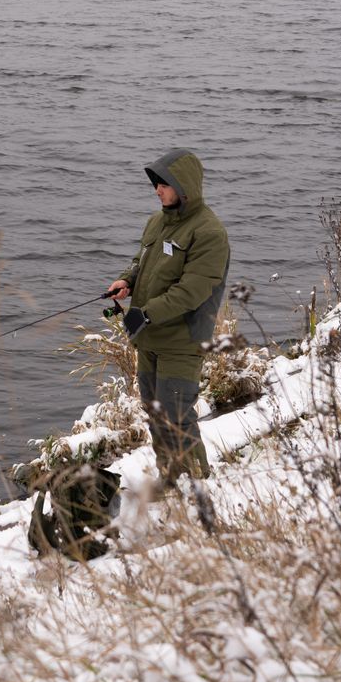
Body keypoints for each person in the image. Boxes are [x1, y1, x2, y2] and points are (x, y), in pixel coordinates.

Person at [106, 149, 230, 485]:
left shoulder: (209, 233)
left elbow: (191, 291)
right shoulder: (157, 222)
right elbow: (141, 262)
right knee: (155, 412)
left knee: (176, 416)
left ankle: (196, 485)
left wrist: (145, 314)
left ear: (184, 186)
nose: (157, 190)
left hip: (182, 341)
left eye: (163, 183)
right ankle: (172, 479)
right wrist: (127, 281)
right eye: (155, 183)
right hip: (150, 337)